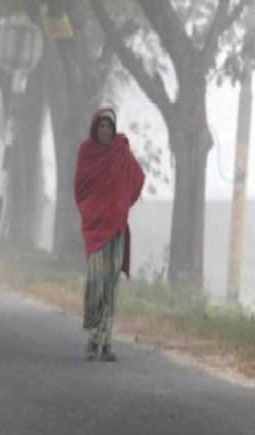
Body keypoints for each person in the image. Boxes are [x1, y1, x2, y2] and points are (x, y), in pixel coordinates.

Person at [74, 107, 145, 362]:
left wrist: (122, 204)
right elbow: (80, 189)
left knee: (111, 285)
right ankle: (92, 337)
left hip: (116, 229)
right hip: (95, 229)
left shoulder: (121, 153)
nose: (105, 131)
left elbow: (138, 178)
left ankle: (105, 341)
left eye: (109, 127)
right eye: (101, 126)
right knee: (96, 282)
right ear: (95, 129)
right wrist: (90, 212)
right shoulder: (87, 153)